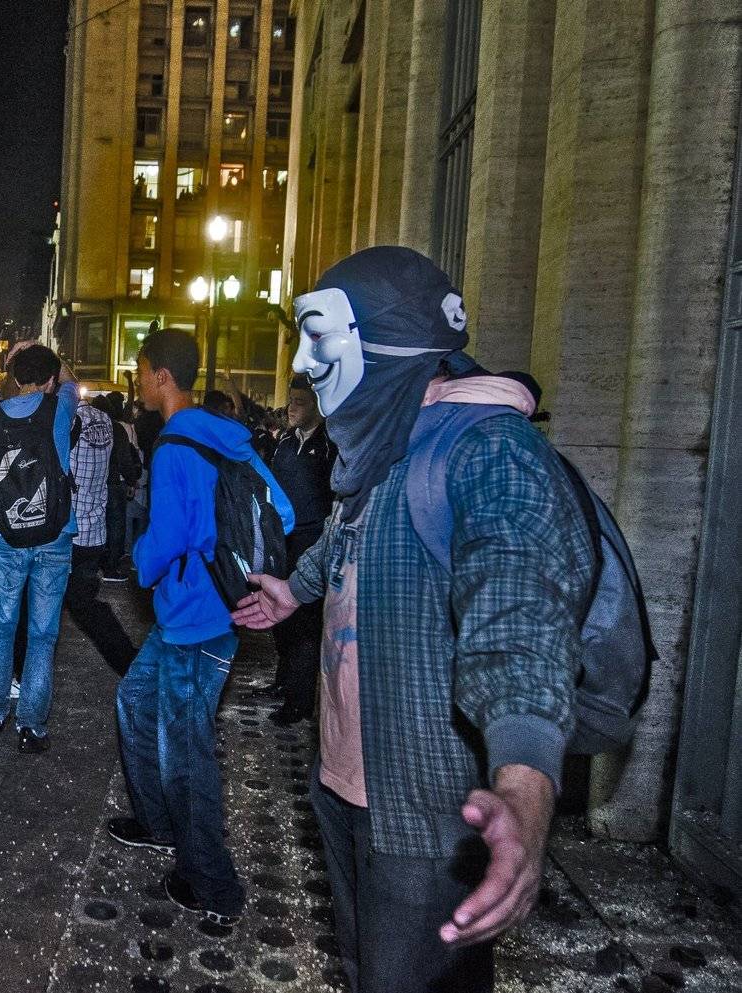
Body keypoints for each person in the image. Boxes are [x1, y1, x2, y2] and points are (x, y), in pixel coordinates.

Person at [234, 246, 595, 993]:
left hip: (423, 816)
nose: (302, 363)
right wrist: (295, 590)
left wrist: (525, 786)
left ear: (386, 347)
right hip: (347, 783)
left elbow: (519, 614)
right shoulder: (390, 438)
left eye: (320, 339)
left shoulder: (491, 450)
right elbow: (347, 537)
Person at [108, 329, 293, 928]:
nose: (138, 382)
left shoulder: (173, 445)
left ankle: (213, 885)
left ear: (162, 376)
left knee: (185, 753)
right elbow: (284, 511)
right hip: (199, 611)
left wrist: (141, 563)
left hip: (194, 616)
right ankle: (159, 825)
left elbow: (165, 540)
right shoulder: (226, 434)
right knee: (135, 700)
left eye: (141, 370)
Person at [0, 343, 79, 753]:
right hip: (54, 535)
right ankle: (31, 726)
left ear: (16, 377)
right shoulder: (60, 408)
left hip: (6, 534)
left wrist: (14, 366)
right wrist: (56, 362)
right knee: (42, 633)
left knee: (2, 626)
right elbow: (72, 383)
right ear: (51, 380)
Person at [261, 375, 336, 725]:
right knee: (281, 618)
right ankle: (283, 681)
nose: (292, 408)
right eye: (291, 400)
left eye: (300, 402)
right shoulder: (286, 442)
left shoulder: (330, 445)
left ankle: (299, 700)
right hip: (283, 540)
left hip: (312, 543)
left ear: (318, 405)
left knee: (304, 622)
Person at [63, 394, 138, 674]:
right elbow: (122, 459)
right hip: (93, 528)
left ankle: (23, 674)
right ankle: (128, 661)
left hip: (67, 530)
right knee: (84, 603)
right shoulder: (107, 422)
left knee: (43, 606)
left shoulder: (67, 422)